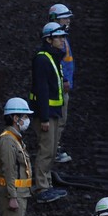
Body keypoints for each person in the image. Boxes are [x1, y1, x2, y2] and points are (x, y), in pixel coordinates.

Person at [30, 22, 69, 203]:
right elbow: (42, 89)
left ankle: (46, 185)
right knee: (46, 151)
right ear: (49, 39)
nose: (62, 40)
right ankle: (41, 189)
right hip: (46, 114)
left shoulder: (52, 57)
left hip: (53, 112)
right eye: (59, 37)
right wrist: (44, 117)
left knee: (52, 151)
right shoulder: (42, 59)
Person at [47, 2, 75, 163]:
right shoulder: (57, 40)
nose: (68, 21)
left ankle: (53, 147)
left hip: (61, 86)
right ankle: (53, 149)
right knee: (59, 119)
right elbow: (59, 63)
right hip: (59, 88)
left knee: (59, 119)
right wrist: (64, 80)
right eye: (65, 18)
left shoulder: (59, 38)